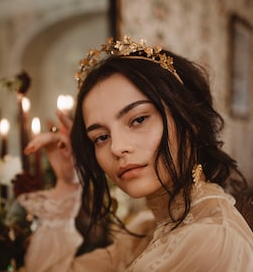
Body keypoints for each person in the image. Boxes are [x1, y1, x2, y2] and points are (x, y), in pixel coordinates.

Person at [18, 35, 253, 271]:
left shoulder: (209, 242)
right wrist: (67, 182)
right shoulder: (143, 232)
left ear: (190, 121)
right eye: (101, 137)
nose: (117, 148)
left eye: (138, 120)